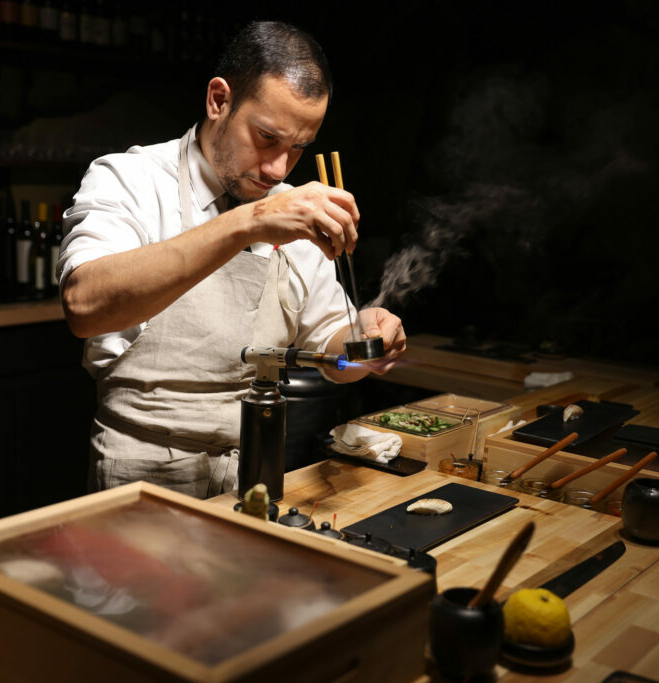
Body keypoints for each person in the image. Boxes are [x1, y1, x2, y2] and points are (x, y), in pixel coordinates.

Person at [58, 21, 407, 499]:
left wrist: (364, 338)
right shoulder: (130, 178)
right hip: (139, 479)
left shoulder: (290, 203)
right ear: (219, 100)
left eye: (297, 149)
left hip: (255, 473)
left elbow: (331, 353)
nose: (278, 169)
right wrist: (251, 221)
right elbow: (84, 305)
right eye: (266, 138)